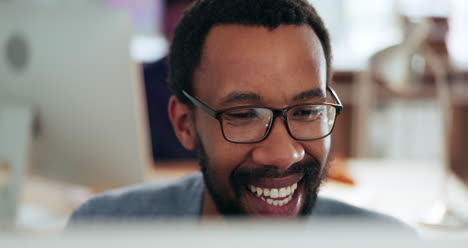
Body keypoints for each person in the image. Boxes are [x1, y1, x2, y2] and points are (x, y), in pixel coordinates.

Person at [69, 0, 403, 223]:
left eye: (307, 111)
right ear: (185, 124)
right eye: (244, 115)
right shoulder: (103, 232)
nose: (284, 154)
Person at [144, 0, 196, 161]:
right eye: (171, 11)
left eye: (186, 11)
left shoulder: (220, 82)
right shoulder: (141, 80)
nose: (177, 20)